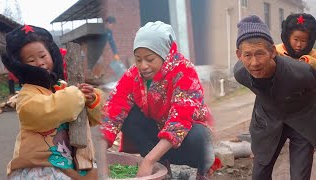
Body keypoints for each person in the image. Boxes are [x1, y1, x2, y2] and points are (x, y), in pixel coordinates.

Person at [99, 21, 218, 180]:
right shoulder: (133, 75)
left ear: (165, 54)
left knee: (199, 135)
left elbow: (180, 121)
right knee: (128, 116)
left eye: (149, 59)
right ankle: (162, 169)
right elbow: (113, 110)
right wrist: (100, 160)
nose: (143, 66)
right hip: (159, 140)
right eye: (138, 59)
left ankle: (203, 171)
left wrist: (148, 161)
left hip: (188, 142)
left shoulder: (184, 72)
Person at [2, 24, 105, 179]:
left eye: (43, 56)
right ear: (22, 66)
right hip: (40, 163)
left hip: (74, 159)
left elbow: (91, 119)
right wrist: (75, 95)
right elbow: (41, 112)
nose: (40, 62)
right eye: (31, 60)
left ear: (52, 55)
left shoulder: (63, 87)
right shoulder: (27, 93)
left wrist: (92, 99)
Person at [234, 15, 316, 180]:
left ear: (272, 51)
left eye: (260, 53)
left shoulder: (302, 73)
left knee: (300, 176)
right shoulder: (241, 74)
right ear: (239, 55)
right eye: (248, 55)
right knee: (259, 174)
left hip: (301, 120)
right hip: (268, 119)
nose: (254, 63)